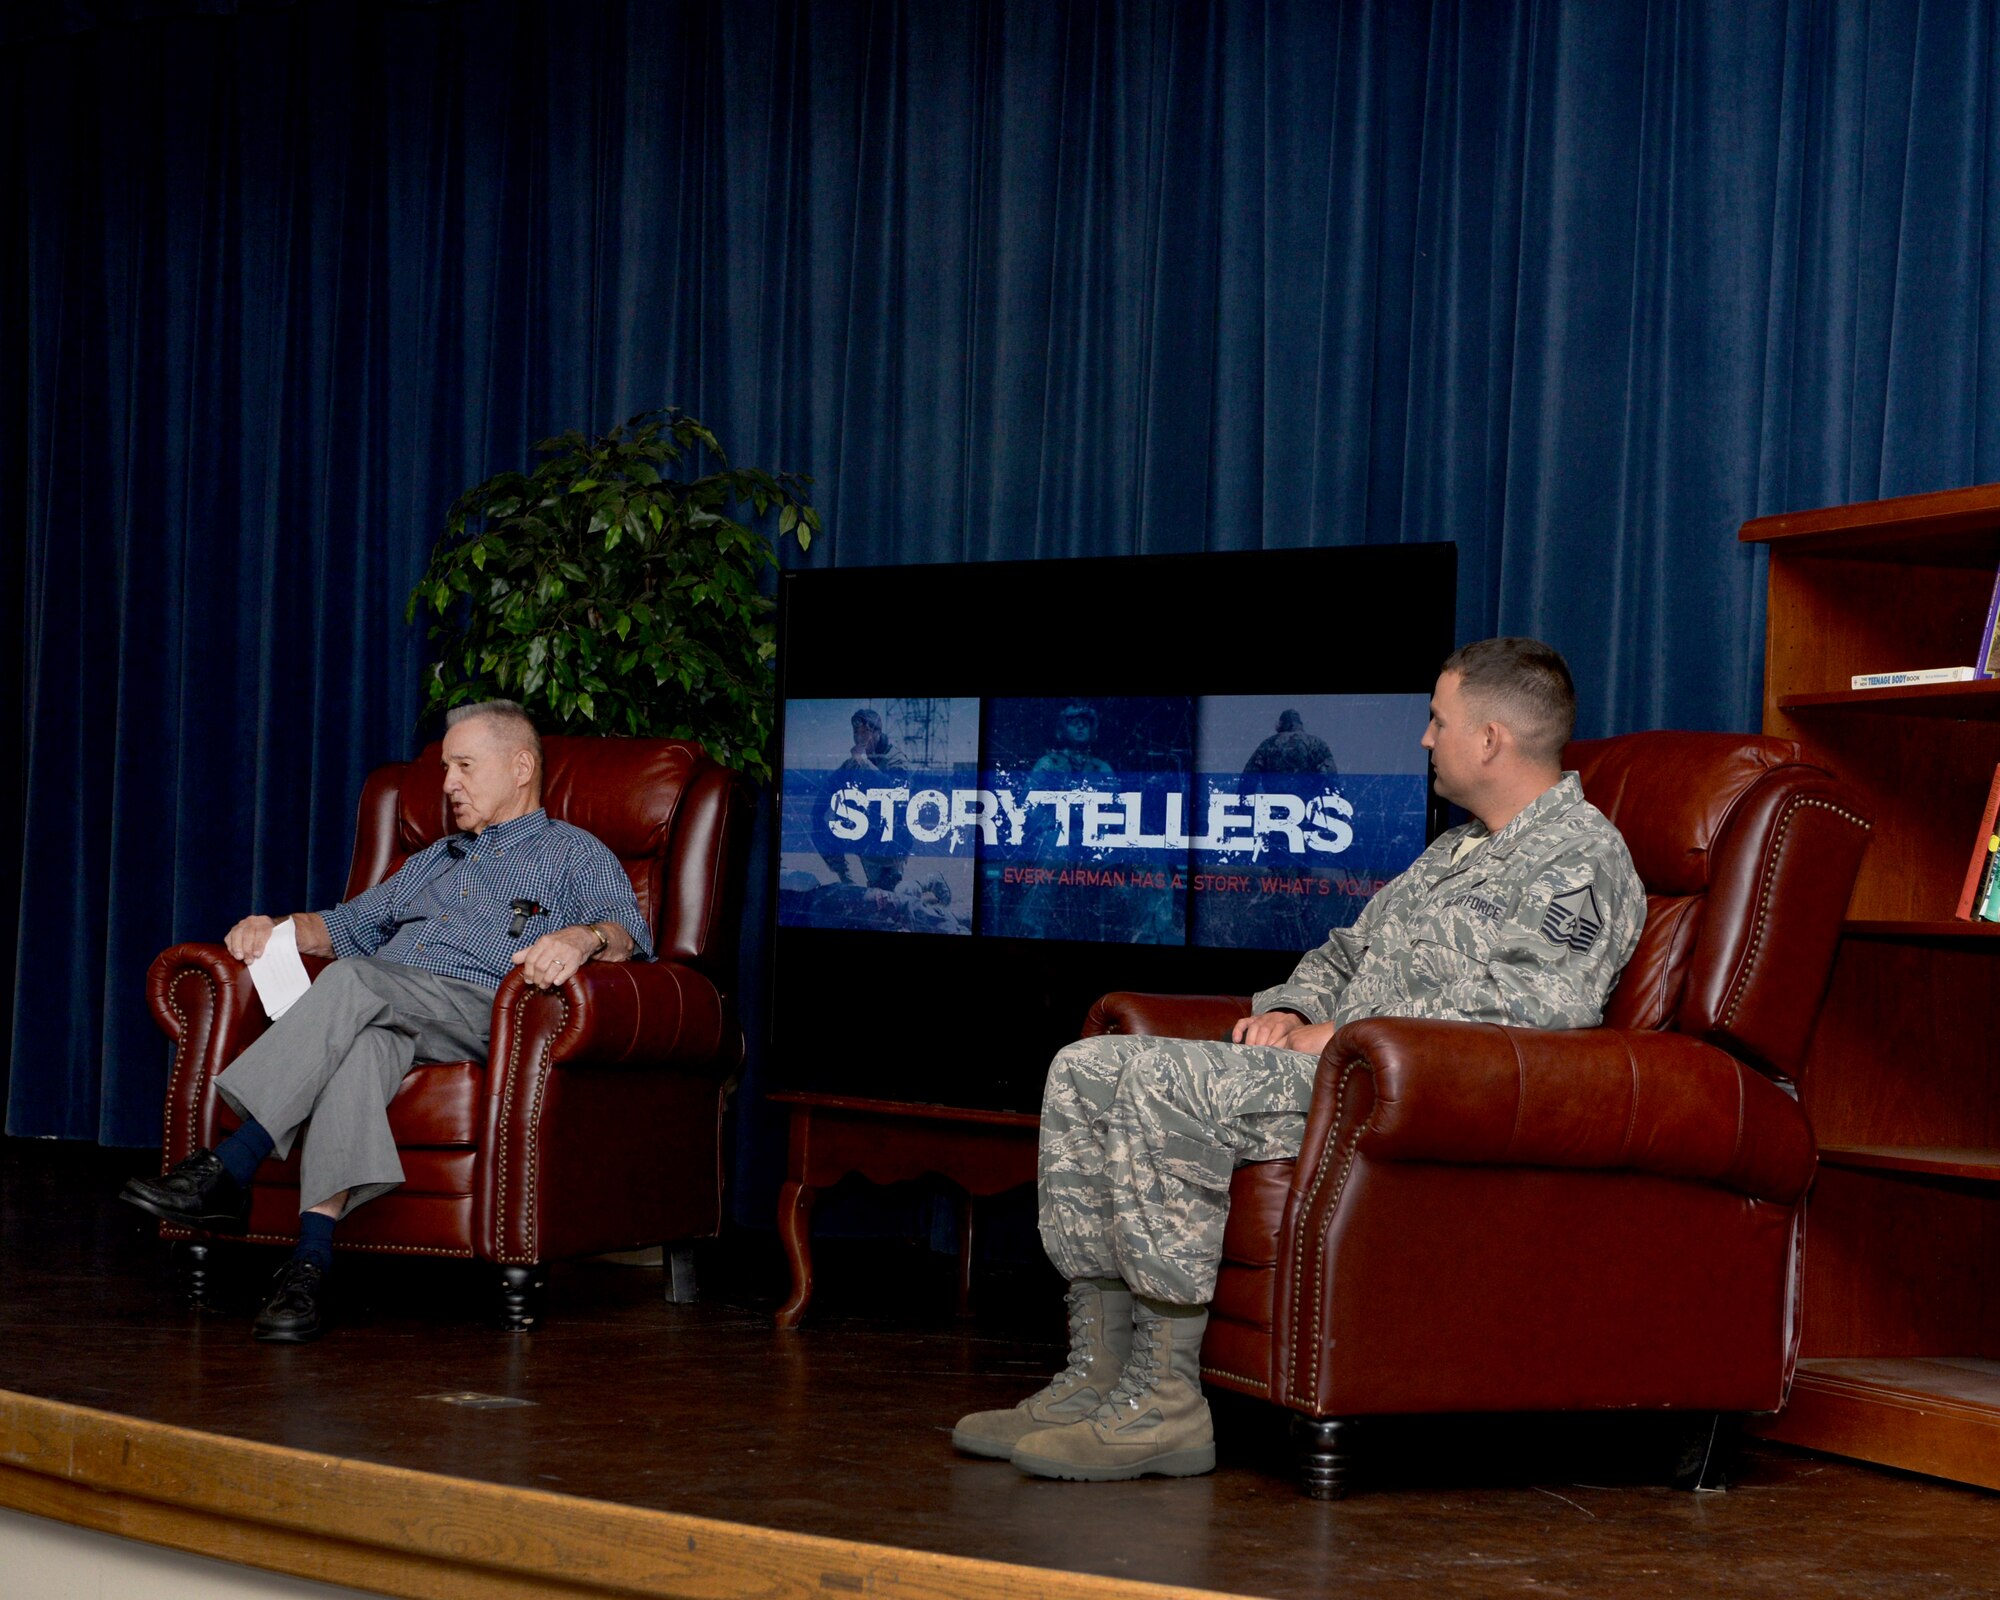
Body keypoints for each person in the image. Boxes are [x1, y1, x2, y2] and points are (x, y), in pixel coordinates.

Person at [951, 638, 1645, 1481]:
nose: (1426, 738)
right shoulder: (1453, 851)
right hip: (1339, 1068)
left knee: (1160, 1081)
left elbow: (1537, 1014)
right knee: (1086, 1067)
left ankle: (1164, 1406)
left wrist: (1346, 1034)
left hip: (1407, 1093)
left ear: (1491, 739)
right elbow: (1345, 951)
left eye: (1439, 720)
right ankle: (1095, 1378)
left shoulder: (1580, 857)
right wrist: (1295, 1010)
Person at [119, 700, 652, 1343]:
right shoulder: (432, 860)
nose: (448, 783)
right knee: (362, 1046)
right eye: (445, 768)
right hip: (386, 1008)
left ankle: (231, 1165)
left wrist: (583, 936)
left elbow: (629, 935)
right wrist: (273, 926)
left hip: (486, 1012)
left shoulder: (572, 852)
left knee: (354, 982)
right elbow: (340, 927)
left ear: (520, 768)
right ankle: (309, 1267)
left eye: (464, 766)